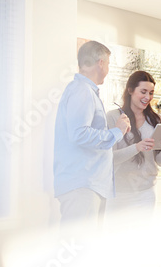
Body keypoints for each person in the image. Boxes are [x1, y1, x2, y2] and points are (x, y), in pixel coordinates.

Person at [105, 70, 161, 267]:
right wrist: (136, 147)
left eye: (151, 93)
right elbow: (109, 159)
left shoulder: (156, 120)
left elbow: (159, 162)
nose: (147, 97)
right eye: (143, 92)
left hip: (145, 195)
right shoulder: (113, 117)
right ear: (130, 90)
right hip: (119, 196)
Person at [53, 40, 130, 230]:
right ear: (101, 63)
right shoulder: (82, 91)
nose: (108, 69)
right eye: (109, 64)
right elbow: (79, 134)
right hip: (83, 185)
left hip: (88, 184)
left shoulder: (83, 91)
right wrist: (117, 131)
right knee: (78, 249)